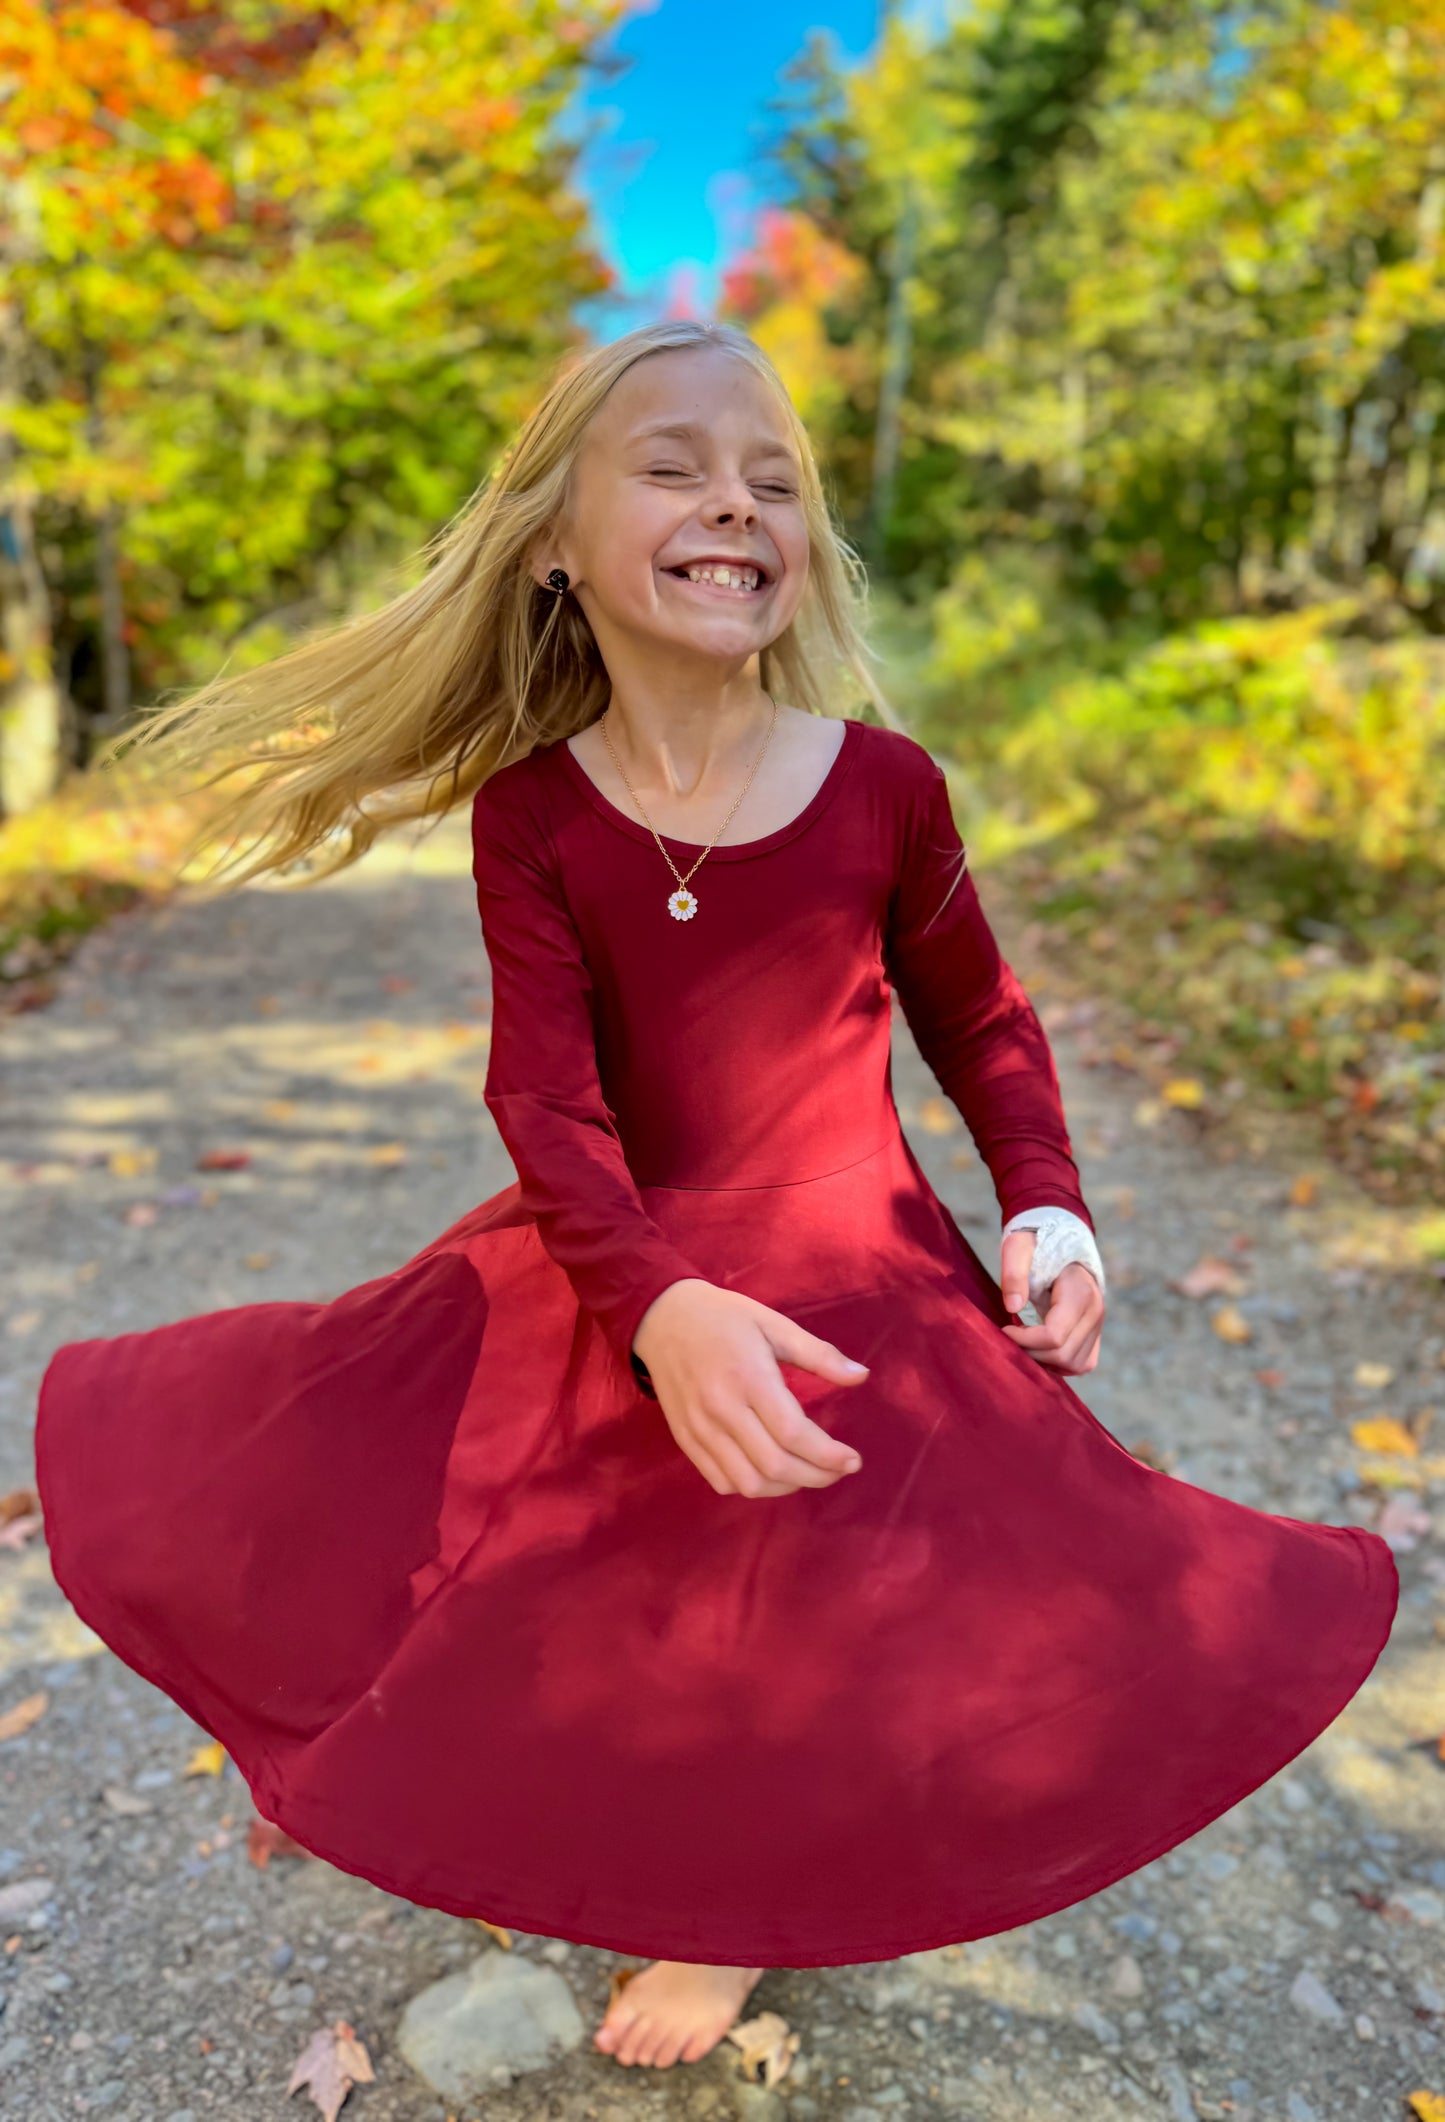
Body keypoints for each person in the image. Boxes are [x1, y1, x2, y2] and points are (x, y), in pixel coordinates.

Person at [34, 319, 1397, 2076]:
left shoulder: (884, 789)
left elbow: (977, 1017)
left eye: (772, 478)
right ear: (553, 543)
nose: (732, 502)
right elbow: (542, 1095)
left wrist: (1044, 1203)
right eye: (672, 466)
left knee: (798, 1589)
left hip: (857, 1257)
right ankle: (401, 1744)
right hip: (635, 1248)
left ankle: (724, 1918)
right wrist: (660, 1305)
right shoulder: (531, 811)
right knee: (539, 1539)